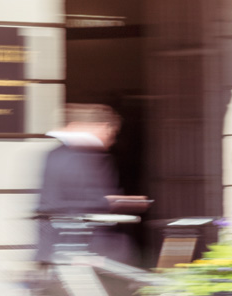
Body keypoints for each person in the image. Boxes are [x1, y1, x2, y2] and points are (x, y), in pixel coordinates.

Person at [35, 102, 150, 265]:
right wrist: (115, 202)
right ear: (100, 126)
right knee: (126, 254)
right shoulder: (82, 157)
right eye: (110, 132)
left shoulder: (56, 154)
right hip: (79, 246)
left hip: (58, 246)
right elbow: (82, 202)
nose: (112, 139)